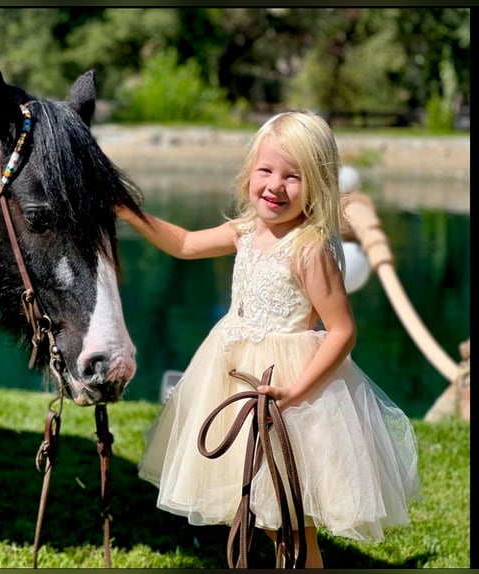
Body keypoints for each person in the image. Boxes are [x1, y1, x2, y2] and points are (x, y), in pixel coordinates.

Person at [117, 111, 420, 568]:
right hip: (236, 381)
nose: (275, 186)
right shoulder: (245, 232)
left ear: (317, 184)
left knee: (293, 518)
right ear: (249, 173)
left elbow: (342, 330)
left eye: (293, 176)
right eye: (266, 171)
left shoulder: (308, 248)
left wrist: (296, 392)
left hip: (290, 391)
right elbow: (182, 243)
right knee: (267, 514)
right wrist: (127, 210)